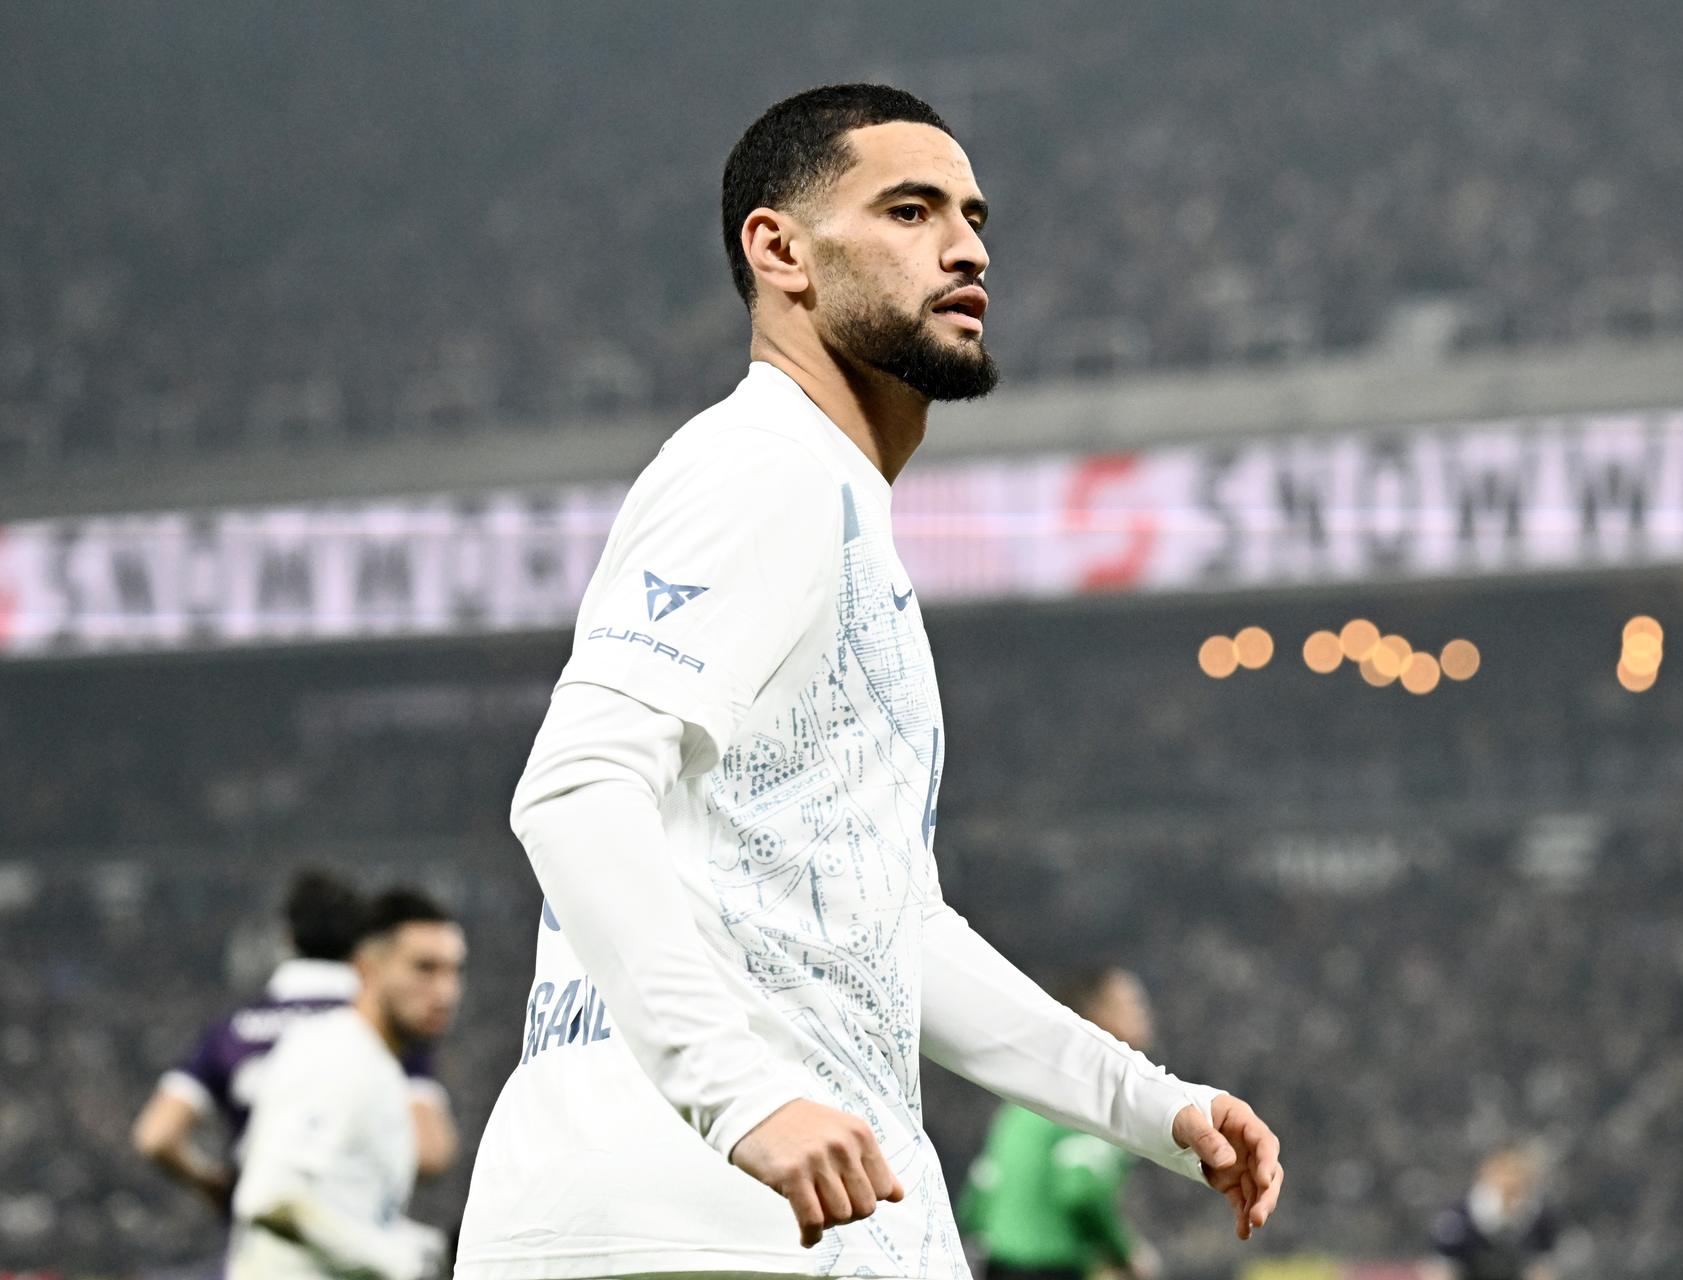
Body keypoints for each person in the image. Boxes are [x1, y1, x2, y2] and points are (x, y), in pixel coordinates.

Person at [456, 83, 1282, 1280]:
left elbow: (889, 927)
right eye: (908, 209)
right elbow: (575, 786)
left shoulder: (837, 511)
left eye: (972, 215)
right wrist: (740, 1096)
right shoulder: (762, 468)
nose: (966, 245)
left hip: (761, 1213)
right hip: (710, 1217)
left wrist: (1152, 1106)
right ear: (778, 248)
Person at [131, 871, 459, 1210]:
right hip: (354, 1234)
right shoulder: (382, 1027)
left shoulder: (234, 1029)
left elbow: (156, 1136)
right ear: (362, 943)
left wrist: (214, 1184)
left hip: (259, 1232)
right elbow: (430, 1152)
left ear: (288, 939)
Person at [228, 887, 467, 1280]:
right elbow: (273, 1199)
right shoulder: (334, 1052)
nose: (445, 992)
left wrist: (429, 1249)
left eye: (454, 970)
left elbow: (346, 1214)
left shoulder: (380, 1067)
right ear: (365, 968)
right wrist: (402, 1261)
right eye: (425, 968)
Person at [958, 968, 1166, 1280]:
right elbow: (1081, 1190)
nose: (1145, 1014)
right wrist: (1126, 1253)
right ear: (1098, 1017)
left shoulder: (1022, 1099)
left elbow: (978, 1197)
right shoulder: (1093, 1095)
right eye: (1132, 1003)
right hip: (1050, 1269)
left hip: (996, 1266)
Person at [1429, 1148, 1560, 1280]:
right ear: (1487, 1171)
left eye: (1518, 1172)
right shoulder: (1458, 1218)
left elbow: (1541, 1268)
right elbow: (1444, 1269)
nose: (1512, 1180)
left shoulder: (1540, 1218)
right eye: (1505, 1171)